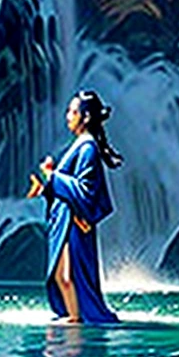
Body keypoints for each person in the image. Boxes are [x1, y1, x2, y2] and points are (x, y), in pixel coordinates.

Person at [32, 90, 122, 324]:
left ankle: (76, 318)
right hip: (66, 219)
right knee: (61, 274)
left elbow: (86, 190)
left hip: (74, 222)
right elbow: (67, 185)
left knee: (68, 274)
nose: (67, 116)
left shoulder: (87, 148)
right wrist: (48, 184)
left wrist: (53, 177)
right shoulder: (80, 146)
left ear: (85, 117)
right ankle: (72, 316)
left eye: (73, 112)